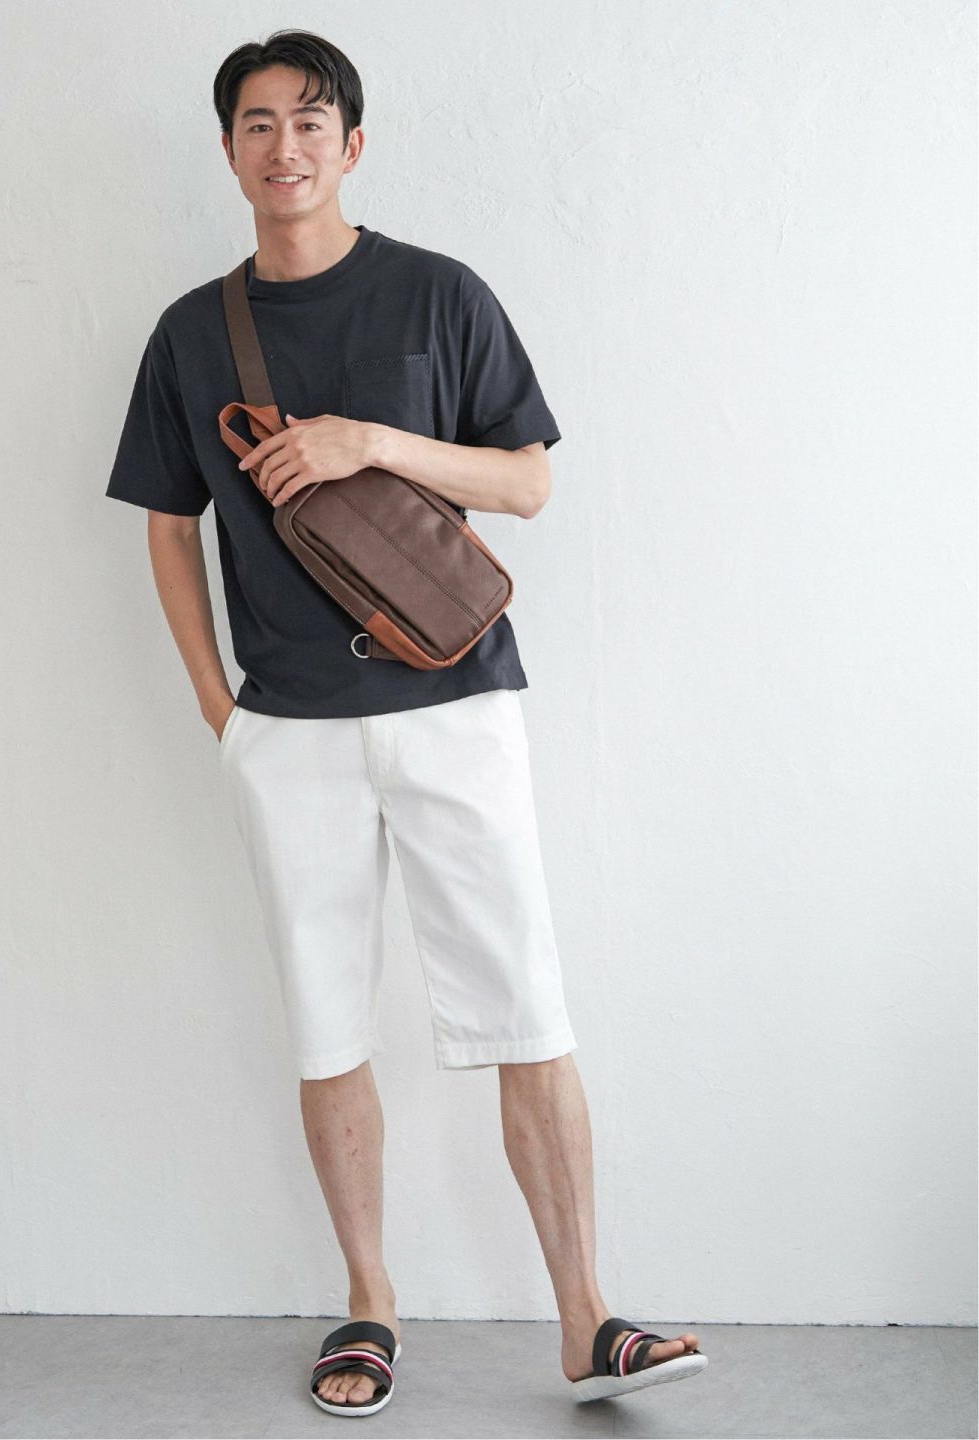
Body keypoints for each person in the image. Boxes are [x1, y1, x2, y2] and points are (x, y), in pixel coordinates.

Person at [105, 27, 707, 1417]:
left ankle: (587, 1319)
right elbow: (167, 524)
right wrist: (219, 706)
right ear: (228, 152)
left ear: (354, 144)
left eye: (311, 121)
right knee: (326, 1025)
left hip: (456, 702)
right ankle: (369, 1305)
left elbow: (528, 482)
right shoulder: (192, 332)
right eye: (259, 124)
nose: (286, 147)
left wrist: (370, 442)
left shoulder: (441, 294)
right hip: (289, 728)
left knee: (527, 1008)